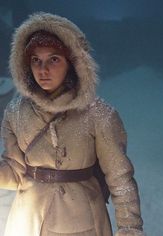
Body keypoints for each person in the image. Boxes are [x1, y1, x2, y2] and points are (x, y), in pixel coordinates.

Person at [0, 12, 144, 236]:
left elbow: (120, 179)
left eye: (53, 59)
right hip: (27, 222)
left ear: (73, 63)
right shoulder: (16, 111)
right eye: (35, 60)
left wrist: (130, 229)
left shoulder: (99, 115)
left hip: (81, 222)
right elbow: (15, 173)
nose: (42, 69)